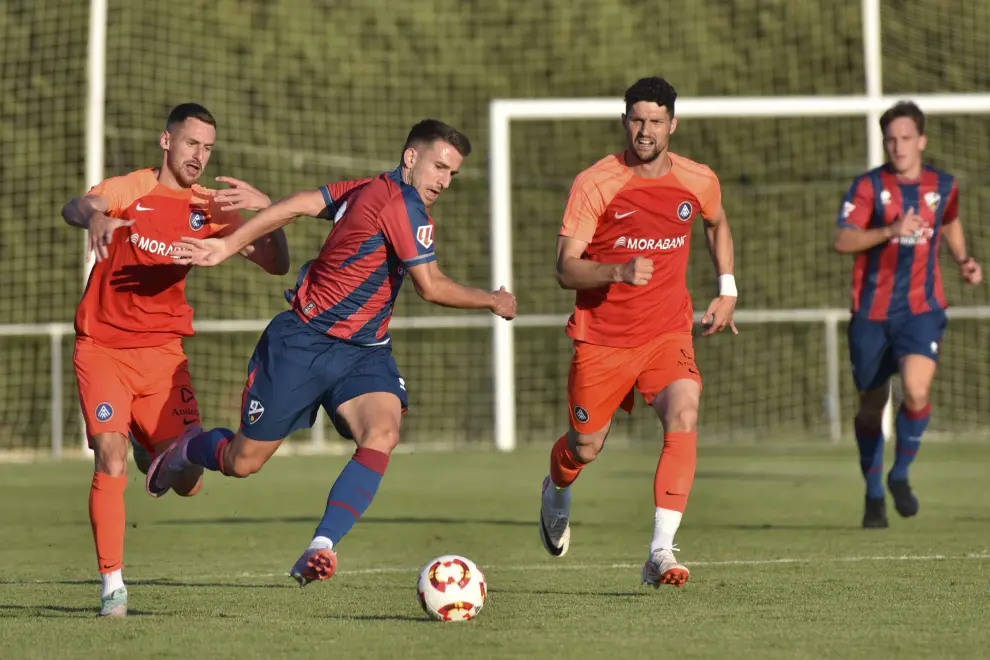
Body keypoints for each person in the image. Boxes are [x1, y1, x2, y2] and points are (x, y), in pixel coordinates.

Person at [146, 119, 517, 587]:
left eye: (452, 174)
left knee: (382, 432)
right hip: (301, 343)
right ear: (410, 158)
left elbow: (302, 203)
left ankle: (322, 546)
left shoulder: (368, 187)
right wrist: (494, 300)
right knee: (242, 462)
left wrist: (264, 205)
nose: (443, 181)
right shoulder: (399, 205)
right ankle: (189, 447)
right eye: (439, 167)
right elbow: (431, 286)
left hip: (364, 353)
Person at [61, 102, 289, 617]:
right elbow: (77, 205)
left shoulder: (209, 206)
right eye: (191, 144)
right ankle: (113, 586)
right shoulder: (131, 189)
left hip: (163, 358)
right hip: (102, 350)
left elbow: (277, 264)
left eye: (207, 148)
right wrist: (96, 215)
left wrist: (264, 211)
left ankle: (155, 450)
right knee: (109, 457)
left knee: (189, 483)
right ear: (167, 141)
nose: (199, 156)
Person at [537, 77, 738, 589]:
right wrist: (617, 272)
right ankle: (556, 489)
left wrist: (728, 287)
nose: (644, 131)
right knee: (584, 449)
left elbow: (716, 223)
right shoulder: (596, 182)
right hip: (602, 339)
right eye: (636, 120)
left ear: (673, 123)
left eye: (654, 121)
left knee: (686, 410)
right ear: (624, 121)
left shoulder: (698, 180)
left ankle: (659, 552)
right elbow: (565, 268)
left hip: (667, 332)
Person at [833, 101, 981, 529]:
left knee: (915, 391)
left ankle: (899, 474)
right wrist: (890, 230)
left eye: (904, 138)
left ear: (921, 140)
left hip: (922, 309)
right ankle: (874, 492)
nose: (897, 146)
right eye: (890, 139)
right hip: (871, 313)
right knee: (871, 403)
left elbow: (949, 220)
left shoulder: (943, 185)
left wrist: (963, 259)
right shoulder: (867, 187)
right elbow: (842, 240)